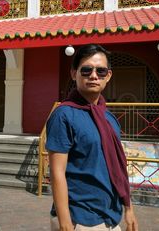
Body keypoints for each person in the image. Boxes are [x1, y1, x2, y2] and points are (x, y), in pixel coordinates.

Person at [46, 44, 138, 231]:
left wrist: (129, 209)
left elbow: (118, 166)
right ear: (74, 73)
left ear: (108, 76)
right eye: (86, 70)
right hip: (80, 219)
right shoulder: (64, 115)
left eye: (101, 71)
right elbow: (57, 172)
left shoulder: (109, 119)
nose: (94, 76)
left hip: (111, 216)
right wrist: (65, 223)